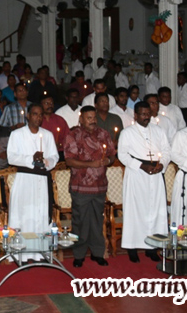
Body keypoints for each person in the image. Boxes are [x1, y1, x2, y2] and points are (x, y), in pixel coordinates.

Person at [117, 101, 171, 263]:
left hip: (155, 173)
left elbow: (167, 150)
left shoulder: (159, 131)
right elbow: (123, 155)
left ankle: (152, 246)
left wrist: (162, 164)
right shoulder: (127, 132)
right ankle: (132, 246)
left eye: (148, 114)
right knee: (136, 211)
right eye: (142, 114)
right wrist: (141, 165)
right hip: (137, 174)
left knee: (155, 210)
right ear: (135, 115)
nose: (146, 117)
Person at [63, 106, 115, 268]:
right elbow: (69, 161)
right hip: (81, 187)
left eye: (94, 117)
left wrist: (107, 161)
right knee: (80, 221)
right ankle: (79, 255)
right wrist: (90, 163)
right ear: (81, 119)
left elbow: (112, 154)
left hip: (99, 186)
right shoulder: (73, 135)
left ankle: (97, 253)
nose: (92, 121)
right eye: (89, 118)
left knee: (97, 221)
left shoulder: (103, 134)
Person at [7, 104, 59, 262]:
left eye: (41, 114)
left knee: (40, 214)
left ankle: (40, 252)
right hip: (25, 179)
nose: (38, 117)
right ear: (28, 115)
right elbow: (11, 157)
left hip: (42, 180)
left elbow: (54, 157)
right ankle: (20, 254)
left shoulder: (48, 135)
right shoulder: (17, 134)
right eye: (35, 114)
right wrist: (32, 159)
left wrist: (46, 161)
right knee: (23, 215)